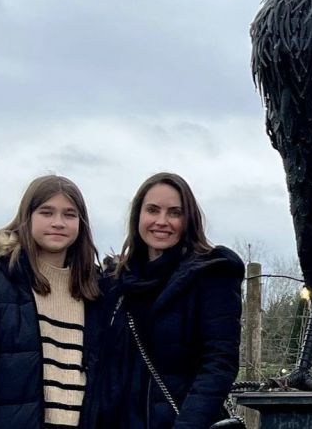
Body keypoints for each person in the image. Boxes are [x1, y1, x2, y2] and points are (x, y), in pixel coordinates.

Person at [98, 172, 244, 429]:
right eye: (152, 210)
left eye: (174, 213)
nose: (161, 221)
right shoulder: (115, 283)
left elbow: (218, 363)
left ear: (188, 219)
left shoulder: (211, 274)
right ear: (138, 216)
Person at [0, 175, 102, 429]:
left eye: (69, 214)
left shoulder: (97, 292)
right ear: (27, 217)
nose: (58, 223)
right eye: (47, 212)